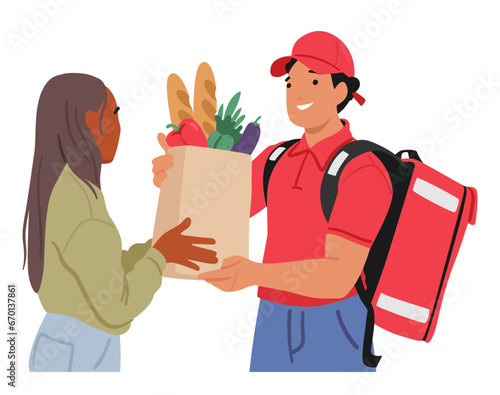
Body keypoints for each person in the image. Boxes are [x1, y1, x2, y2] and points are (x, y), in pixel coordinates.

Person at [153, 31, 393, 372]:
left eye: (312, 81)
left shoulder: (362, 170)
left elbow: (339, 275)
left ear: (341, 91)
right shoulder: (275, 158)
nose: (298, 94)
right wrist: (178, 176)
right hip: (272, 316)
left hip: (334, 320)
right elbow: (215, 210)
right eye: (291, 83)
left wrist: (254, 274)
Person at [24, 73, 218, 372]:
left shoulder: (65, 187)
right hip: (80, 348)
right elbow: (117, 303)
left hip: (68, 342)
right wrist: (160, 256)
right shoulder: (77, 201)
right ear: (91, 122)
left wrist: (157, 249)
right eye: (114, 114)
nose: (119, 126)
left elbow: (103, 271)